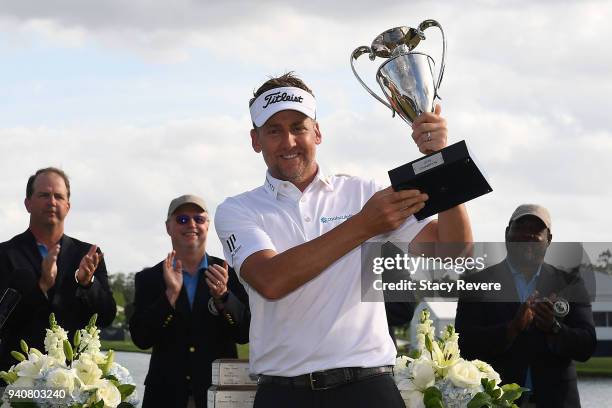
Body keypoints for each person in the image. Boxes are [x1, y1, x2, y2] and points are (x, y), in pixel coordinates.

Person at [214, 73, 472, 407]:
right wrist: (365, 224)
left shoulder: (365, 192)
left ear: (317, 132)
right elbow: (270, 280)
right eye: (274, 130)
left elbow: (453, 255)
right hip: (283, 394)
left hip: (367, 388)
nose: (288, 141)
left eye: (298, 127)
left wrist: (444, 163)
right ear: (255, 140)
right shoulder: (237, 210)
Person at [455, 204, 596, 408]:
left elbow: (587, 346)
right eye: (520, 227)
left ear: (549, 239)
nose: (527, 235)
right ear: (507, 234)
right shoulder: (476, 283)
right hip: (495, 401)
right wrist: (511, 329)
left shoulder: (570, 283)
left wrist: (553, 328)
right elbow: (464, 345)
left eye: (536, 230)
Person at [129, 194, 250, 408]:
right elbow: (141, 338)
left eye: (199, 219)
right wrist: (170, 296)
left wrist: (224, 298)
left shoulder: (229, 273)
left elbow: (243, 334)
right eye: (182, 219)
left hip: (220, 397)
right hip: (165, 396)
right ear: (168, 227)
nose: (191, 225)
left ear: (207, 225)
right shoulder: (149, 278)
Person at [0, 167, 116, 373]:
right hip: (15, 379)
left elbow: (106, 317)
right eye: (44, 195)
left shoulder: (88, 255)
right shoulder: (5, 254)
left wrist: (87, 284)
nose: (52, 201)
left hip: (74, 383)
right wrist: (41, 286)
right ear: (28, 203)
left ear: (68, 206)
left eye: (58, 196)